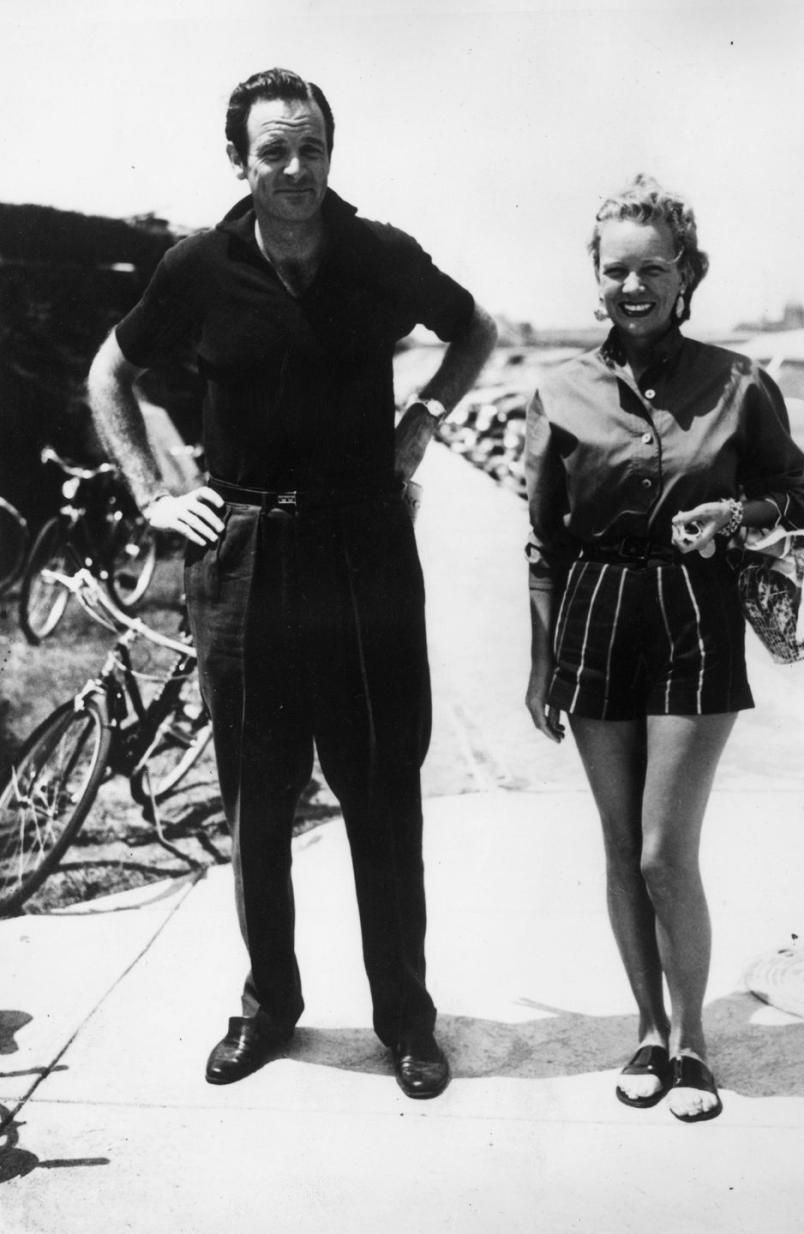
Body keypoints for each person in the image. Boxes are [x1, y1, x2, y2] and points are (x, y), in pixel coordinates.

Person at [87, 68, 497, 1098]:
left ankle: (405, 1017)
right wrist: (151, 493)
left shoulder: (379, 255)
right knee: (257, 804)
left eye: (311, 147)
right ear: (240, 159)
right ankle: (270, 1005)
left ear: (330, 153)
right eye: (274, 150)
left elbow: (473, 331)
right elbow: (109, 375)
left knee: (381, 798)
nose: (296, 168)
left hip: (363, 550)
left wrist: (421, 424)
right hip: (245, 552)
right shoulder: (197, 265)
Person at [523, 174, 804, 1122]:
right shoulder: (558, 390)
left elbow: (792, 494)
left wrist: (739, 511)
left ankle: (693, 1042)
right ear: (594, 280)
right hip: (596, 614)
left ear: (689, 274)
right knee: (615, 845)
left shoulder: (738, 381)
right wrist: (541, 663)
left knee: (660, 853)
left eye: (654, 267)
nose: (634, 286)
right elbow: (545, 542)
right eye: (617, 271)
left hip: (696, 612)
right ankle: (646, 1028)